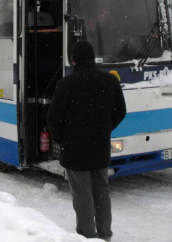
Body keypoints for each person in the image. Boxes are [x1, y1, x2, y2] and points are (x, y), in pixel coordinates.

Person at [47, 40, 127, 241]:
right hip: (100, 148)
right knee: (102, 191)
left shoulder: (66, 85)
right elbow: (120, 112)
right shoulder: (110, 81)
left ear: (74, 62)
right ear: (93, 58)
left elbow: (53, 119)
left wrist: (63, 139)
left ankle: (87, 236)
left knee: (82, 195)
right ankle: (105, 235)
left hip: (75, 151)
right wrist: (104, 129)